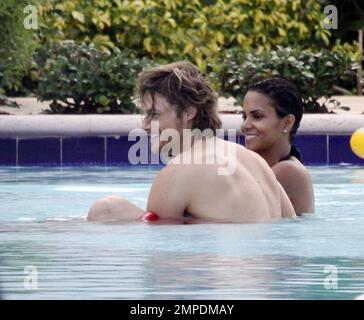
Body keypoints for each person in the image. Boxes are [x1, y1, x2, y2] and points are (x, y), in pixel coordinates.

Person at [87, 62, 295, 223]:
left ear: (188, 112)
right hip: (267, 273)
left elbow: (160, 252)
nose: (146, 125)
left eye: (155, 114)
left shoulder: (179, 171)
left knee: (106, 209)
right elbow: (291, 227)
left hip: (226, 275)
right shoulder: (255, 162)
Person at [241, 77, 315, 215]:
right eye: (244, 116)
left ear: (287, 123)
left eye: (257, 116)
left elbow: (230, 214)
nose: (245, 125)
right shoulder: (272, 165)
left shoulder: (288, 170)